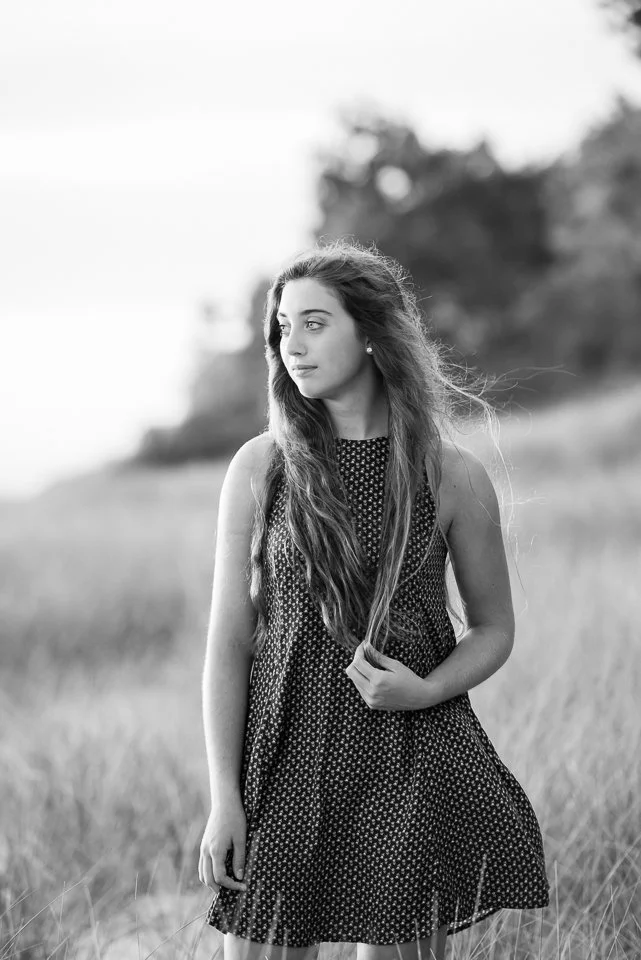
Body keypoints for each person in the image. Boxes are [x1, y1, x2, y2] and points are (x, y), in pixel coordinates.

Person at [198, 239, 549, 960]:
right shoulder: (262, 466)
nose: (291, 344)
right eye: (282, 327)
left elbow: (492, 628)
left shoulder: (449, 475)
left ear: (370, 331)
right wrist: (222, 795)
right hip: (281, 756)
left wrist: (425, 692)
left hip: (409, 756)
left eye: (314, 322)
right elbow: (228, 641)